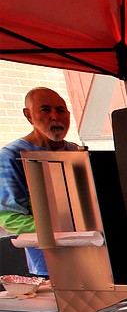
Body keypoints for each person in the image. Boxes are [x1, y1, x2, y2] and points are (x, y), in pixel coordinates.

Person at [0, 88, 80, 276]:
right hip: (48, 264)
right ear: (29, 115)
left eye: (60, 110)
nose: (54, 117)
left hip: (94, 253)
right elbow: (10, 218)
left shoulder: (76, 152)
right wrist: (70, 230)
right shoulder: (12, 156)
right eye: (45, 110)